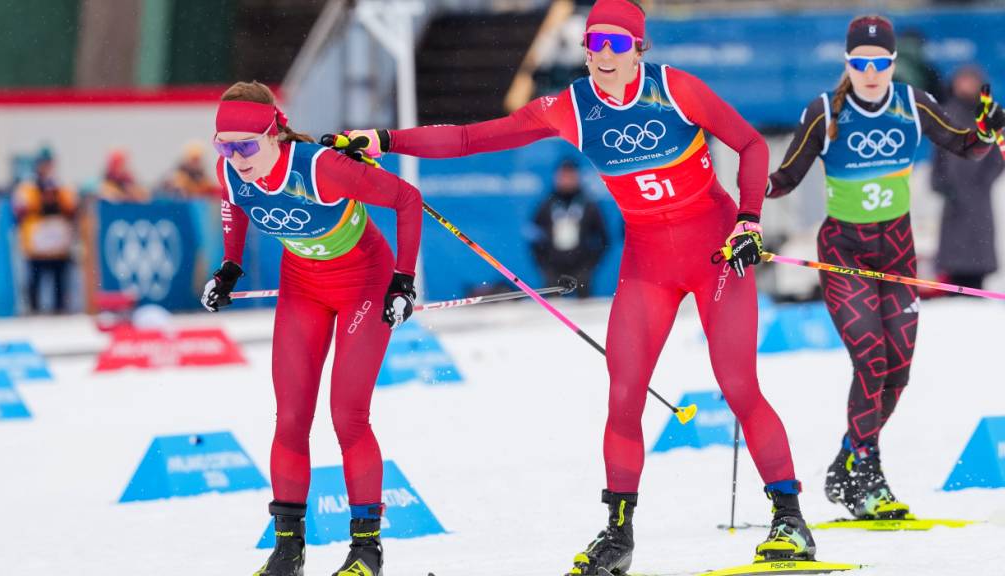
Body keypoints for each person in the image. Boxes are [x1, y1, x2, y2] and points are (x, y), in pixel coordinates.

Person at [328, 0, 816, 572]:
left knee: (737, 383)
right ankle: (618, 535)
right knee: (624, 394)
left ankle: (790, 520)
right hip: (648, 263)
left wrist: (749, 219)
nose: (603, 57)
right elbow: (468, 138)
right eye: (593, 45)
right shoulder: (568, 107)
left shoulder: (677, 89)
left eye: (616, 45)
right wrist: (384, 140)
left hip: (716, 253)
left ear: (638, 49)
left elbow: (752, 146)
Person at [767, 16, 1003, 521]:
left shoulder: (912, 103)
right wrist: (733, 211)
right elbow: (782, 179)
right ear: (847, 63)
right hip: (845, 253)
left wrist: (988, 131)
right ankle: (868, 472)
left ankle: (848, 459)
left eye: (880, 62)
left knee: (897, 374)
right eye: (860, 62)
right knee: (870, 359)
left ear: (893, 64)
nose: (870, 71)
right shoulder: (825, 111)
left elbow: (965, 145)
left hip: (897, 253)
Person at [201, 81, 422, 576]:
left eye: (246, 145)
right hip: (302, 285)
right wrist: (229, 267)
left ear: (274, 135)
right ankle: (288, 552)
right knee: (292, 416)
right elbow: (234, 204)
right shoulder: (230, 170)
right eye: (224, 145)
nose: (235, 157)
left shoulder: (319, 168)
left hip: (365, 282)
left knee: (347, 414)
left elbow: (407, 198)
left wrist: (403, 282)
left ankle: (366, 550)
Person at [933, 65, 1004, 290]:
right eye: (963, 80)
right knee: (953, 260)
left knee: (978, 256)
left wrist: (984, 181)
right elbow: (939, 156)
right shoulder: (946, 113)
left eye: (971, 81)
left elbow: (998, 154)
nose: (967, 86)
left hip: (978, 195)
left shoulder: (989, 114)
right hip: (953, 197)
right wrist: (943, 184)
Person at [12, 146, 78, 314]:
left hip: (58, 245)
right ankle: (33, 310)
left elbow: (72, 209)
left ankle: (60, 310)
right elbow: (19, 210)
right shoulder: (28, 188)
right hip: (37, 245)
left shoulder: (62, 187)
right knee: (34, 281)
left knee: (59, 282)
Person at [531, 159, 609, 297]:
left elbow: (604, 238)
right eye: (563, 176)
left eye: (570, 176)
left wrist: (589, 267)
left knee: (585, 311)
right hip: (553, 267)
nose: (566, 180)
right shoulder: (546, 205)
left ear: (577, 177)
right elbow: (534, 237)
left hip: (581, 266)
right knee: (552, 310)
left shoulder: (589, 204)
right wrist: (545, 267)